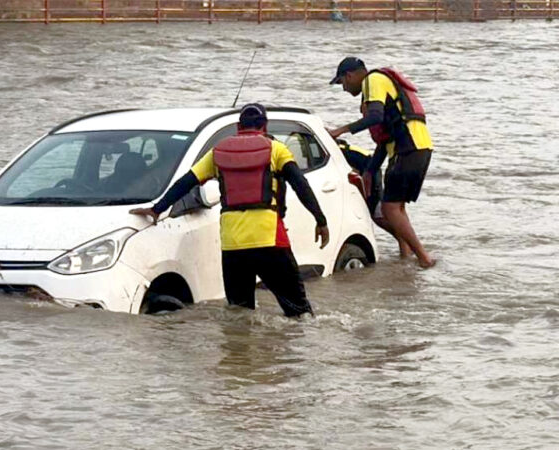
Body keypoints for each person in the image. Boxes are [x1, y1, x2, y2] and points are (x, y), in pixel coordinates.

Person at [130, 104, 330, 317]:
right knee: (299, 311)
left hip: (233, 245)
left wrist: (156, 209)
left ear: (238, 126)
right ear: (265, 125)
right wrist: (320, 220)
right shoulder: (276, 150)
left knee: (239, 313)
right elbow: (301, 184)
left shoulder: (218, 152)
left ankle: (239, 350)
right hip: (270, 240)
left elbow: (186, 182)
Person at [328, 57, 436, 268]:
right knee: (397, 209)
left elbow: (375, 117)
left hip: (408, 148)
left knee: (389, 209)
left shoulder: (372, 80)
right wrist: (370, 171)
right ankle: (407, 259)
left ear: (349, 76)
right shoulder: (380, 84)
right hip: (419, 148)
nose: (344, 89)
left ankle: (424, 258)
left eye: (342, 83)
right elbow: (384, 140)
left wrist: (340, 130)